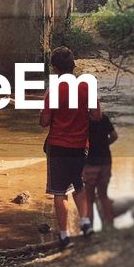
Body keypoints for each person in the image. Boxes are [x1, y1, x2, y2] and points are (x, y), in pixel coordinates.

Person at [39, 46, 101, 248]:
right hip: (80, 146)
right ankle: (86, 224)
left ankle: (64, 236)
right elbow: (96, 116)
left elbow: (44, 122)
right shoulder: (86, 88)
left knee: (60, 192)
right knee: (79, 186)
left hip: (58, 147)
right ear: (73, 65)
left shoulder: (54, 90)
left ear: (55, 68)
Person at [83, 111, 118, 230]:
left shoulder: (85, 121)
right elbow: (114, 136)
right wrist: (104, 144)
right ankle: (110, 226)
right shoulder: (104, 118)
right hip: (106, 161)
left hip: (91, 163)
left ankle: (90, 228)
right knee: (103, 195)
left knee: (89, 198)